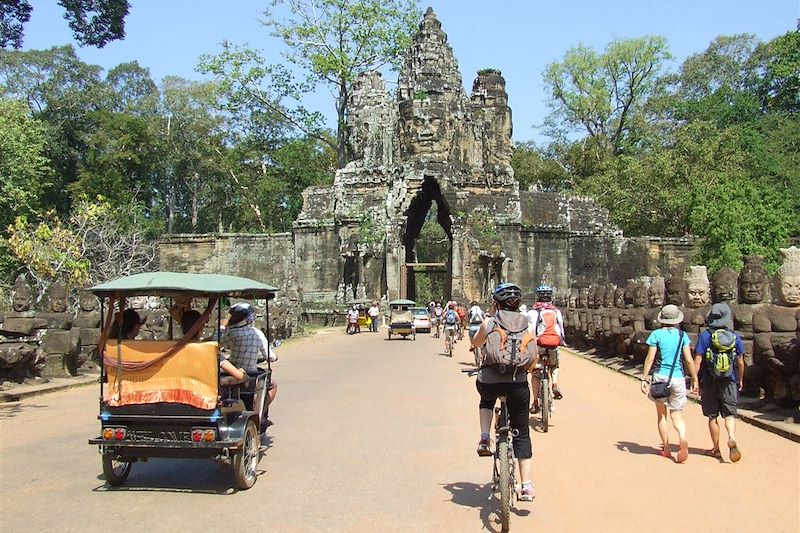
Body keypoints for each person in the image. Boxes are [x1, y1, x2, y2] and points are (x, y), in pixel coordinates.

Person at [471, 283, 535, 502]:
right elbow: (532, 357)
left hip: (490, 381)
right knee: (522, 433)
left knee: (486, 400)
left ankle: (484, 438)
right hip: (518, 384)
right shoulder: (528, 324)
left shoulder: (490, 322)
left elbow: (475, 342)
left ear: (495, 303)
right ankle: (526, 486)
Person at [641, 304, 699, 463]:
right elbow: (688, 359)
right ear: (676, 320)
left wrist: (644, 377)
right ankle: (682, 437)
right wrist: (694, 378)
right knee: (677, 415)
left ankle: (666, 449)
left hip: (661, 377)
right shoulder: (682, 336)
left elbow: (650, 358)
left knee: (661, 415)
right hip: (678, 377)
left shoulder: (656, 334)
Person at [693, 302, 745, 463]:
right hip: (730, 379)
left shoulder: (705, 335)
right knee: (729, 414)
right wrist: (741, 379)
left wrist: (695, 380)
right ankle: (731, 436)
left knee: (712, 415)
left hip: (709, 380)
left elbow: (698, 359)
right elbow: (741, 362)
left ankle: (716, 448)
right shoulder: (734, 336)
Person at [527, 284, 566, 414]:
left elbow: (530, 330)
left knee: (535, 373)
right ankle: (554, 384)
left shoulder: (533, 312)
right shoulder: (556, 311)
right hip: (553, 344)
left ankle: (535, 402)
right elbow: (561, 328)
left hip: (539, 344)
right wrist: (562, 341)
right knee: (554, 365)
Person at [181, 309, 247, 383]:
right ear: (201, 327)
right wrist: (242, 372)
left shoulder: (172, 349)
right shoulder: (209, 350)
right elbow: (239, 375)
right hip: (204, 392)